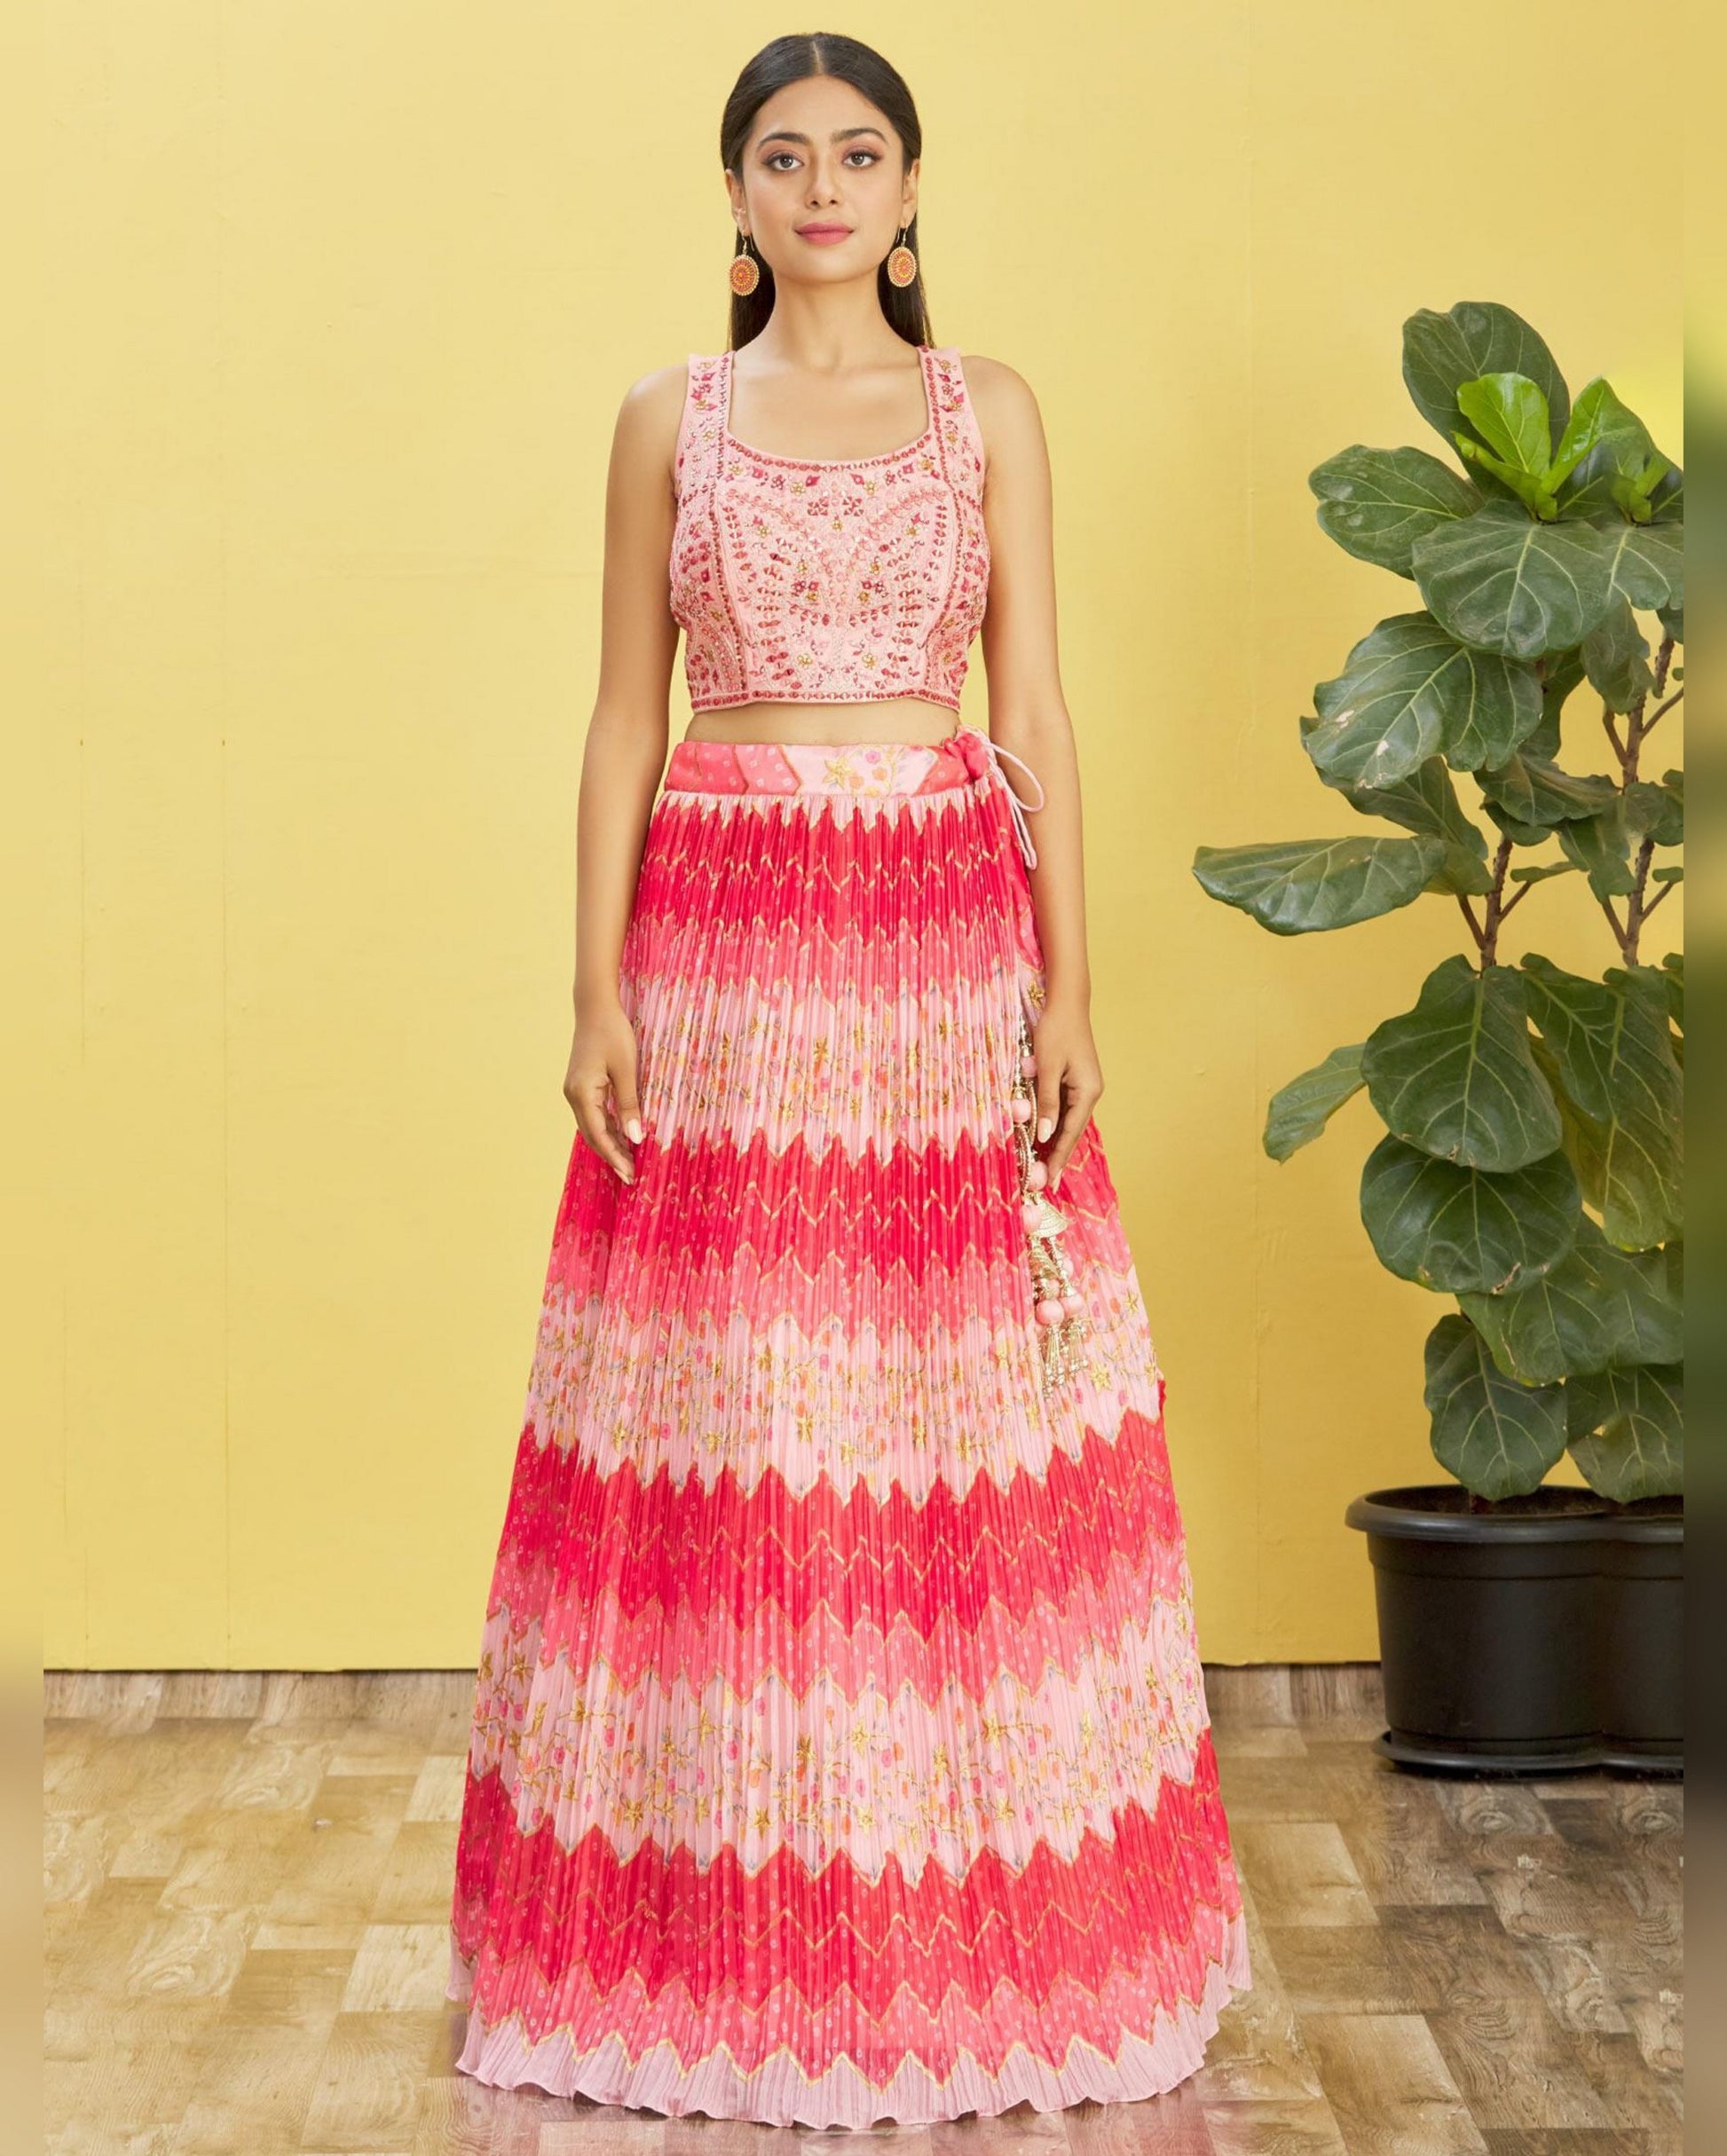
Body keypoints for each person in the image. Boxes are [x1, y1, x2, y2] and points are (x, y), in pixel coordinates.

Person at [446, 29, 1250, 2129]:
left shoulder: (991, 413)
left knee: (945, 1419)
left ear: (910, 189)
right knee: (735, 1419)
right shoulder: (663, 421)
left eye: (859, 152)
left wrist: (1075, 989)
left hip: (938, 938)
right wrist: (591, 983)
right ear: (733, 194)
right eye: (783, 155)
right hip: (718, 937)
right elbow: (624, 716)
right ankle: (709, 1925)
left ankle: (967, 1915)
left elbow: (1041, 714)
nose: (822, 185)